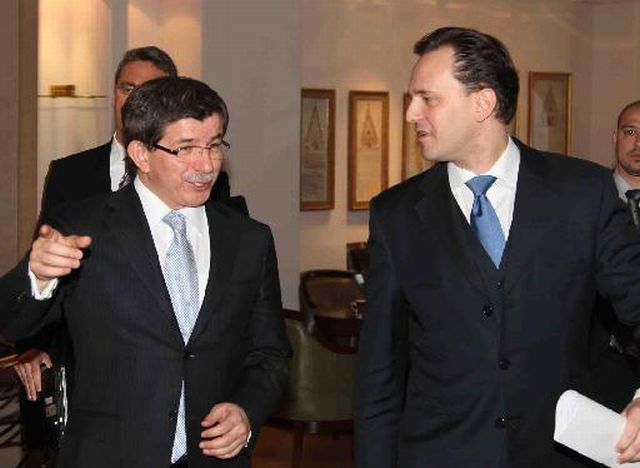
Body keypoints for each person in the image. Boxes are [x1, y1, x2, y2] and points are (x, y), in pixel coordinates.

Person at [355, 26, 640, 468]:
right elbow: (379, 373)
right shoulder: (396, 215)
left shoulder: (583, 194)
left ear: (483, 103)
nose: (411, 113)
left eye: (427, 98)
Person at [1, 76, 290, 467]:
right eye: (185, 149)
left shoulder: (249, 239)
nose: (206, 165)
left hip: (213, 457)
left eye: (214, 145)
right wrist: (36, 276)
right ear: (141, 154)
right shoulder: (83, 227)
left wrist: (246, 410)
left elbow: (270, 353)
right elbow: (13, 324)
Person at [13, 46, 245, 404]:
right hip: (88, 375)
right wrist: (35, 346)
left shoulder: (207, 184)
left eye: (151, 90)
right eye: (128, 88)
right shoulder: (70, 174)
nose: (203, 165)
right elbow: (46, 268)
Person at [589, 100, 640, 412]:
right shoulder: (584, 202)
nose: (638, 144)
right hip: (596, 366)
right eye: (630, 132)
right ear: (615, 137)